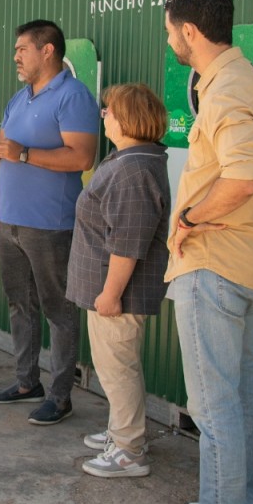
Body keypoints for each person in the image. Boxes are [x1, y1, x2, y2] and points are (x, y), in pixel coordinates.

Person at [163, 0, 253, 504]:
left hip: (214, 263)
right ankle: (252, 501)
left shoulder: (227, 89)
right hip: (248, 263)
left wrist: (188, 216)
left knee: (213, 407)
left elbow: (244, 176)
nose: (170, 42)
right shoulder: (247, 80)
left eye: (171, 32)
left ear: (190, 31)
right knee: (243, 394)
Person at [0, 20, 98, 424]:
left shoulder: (73, 96)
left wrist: (24, 154)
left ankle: (61, 396)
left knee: (58, 311)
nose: (15, 56)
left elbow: (83, 157)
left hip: (51, 225)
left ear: (47, 51)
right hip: (10, 220)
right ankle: (26, 382)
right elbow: (7, 145)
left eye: (22, 49)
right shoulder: (20, 97)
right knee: (20, 305)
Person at [65, 83, 170, 478]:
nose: (104, 115)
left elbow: (127, 243)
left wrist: (110, 294)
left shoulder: (134, 169)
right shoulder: (130, 159)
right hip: (107, 291)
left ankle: (129, 451)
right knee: (115, 367)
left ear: (128, 120)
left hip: (117, 295)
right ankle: (122, 431)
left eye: (109, 110)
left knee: (118, 369)